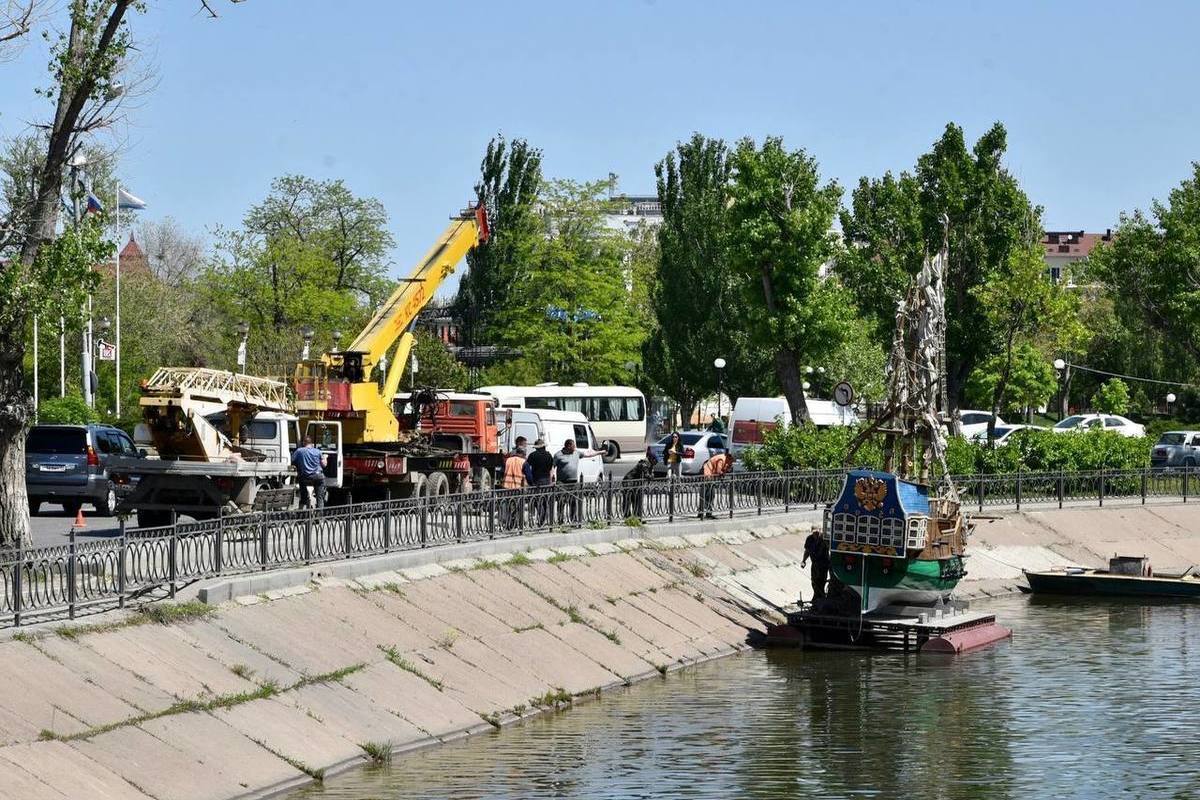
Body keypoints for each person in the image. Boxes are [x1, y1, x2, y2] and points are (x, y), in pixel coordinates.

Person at [552, 437, 601, 523]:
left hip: (573, 482)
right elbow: (552, 467)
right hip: (562, 482)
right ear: (568, 446)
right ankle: (560, 520)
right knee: (561, 502)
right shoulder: (558, 455)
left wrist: (600, 452)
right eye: (573, 447)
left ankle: (573, 520)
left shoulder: (576, 453)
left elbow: (588, 454)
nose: (574, 448)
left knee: (573, 502)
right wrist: (552, 478)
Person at [291, 436, 328, 509]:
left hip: (305, 477)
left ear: (303, 443)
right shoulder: (318, 451)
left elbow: (292, 461)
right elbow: (324, 465)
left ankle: (302, 513)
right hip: (318, 476)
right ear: (311, 443)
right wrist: (325, 458)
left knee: (303, 494)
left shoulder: (299, 451)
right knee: (319, 498)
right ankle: (319, 518)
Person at [526, 438, 555, 524]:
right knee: (546, 500)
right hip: (546, 480)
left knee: (537, 500)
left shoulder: (532, 455)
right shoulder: (549, 455)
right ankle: (545, 518)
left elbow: (528, 466)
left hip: (536, 480)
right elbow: (551, 468)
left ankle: (541, 517)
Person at [698, 449, 733, 519]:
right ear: (729, 458)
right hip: (707, 475)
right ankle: (705, 513)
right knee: (709, 494)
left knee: (708, 494)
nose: (731, 462)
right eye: (731, 460)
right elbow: (718, 471)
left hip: (709, 475)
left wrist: (725, 472)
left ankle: (703, 512)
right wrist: (723, 474)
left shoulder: (724, 459)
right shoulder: (721, 459)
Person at [801, 525, 831, 601]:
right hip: (814, 563)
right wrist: (804, 560)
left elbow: (830, 549)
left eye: (817, 532)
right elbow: (807, 551)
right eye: (814, 532)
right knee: (814, 581)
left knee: (821, 581)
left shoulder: (824, 538)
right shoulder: (809, 539)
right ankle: (817, 596)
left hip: (823, 564)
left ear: (820, 531)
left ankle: (819, 597)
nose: (816, 534)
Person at [502, 445, 527, 528]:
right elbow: (528, 475)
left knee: (509, 505)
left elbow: (503, 471)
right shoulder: (523, 462)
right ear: (523, 453)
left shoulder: (508, 460)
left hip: (507, 486)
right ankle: (516, 523)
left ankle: (509, 523)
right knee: (517, 506)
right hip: (518, 487)